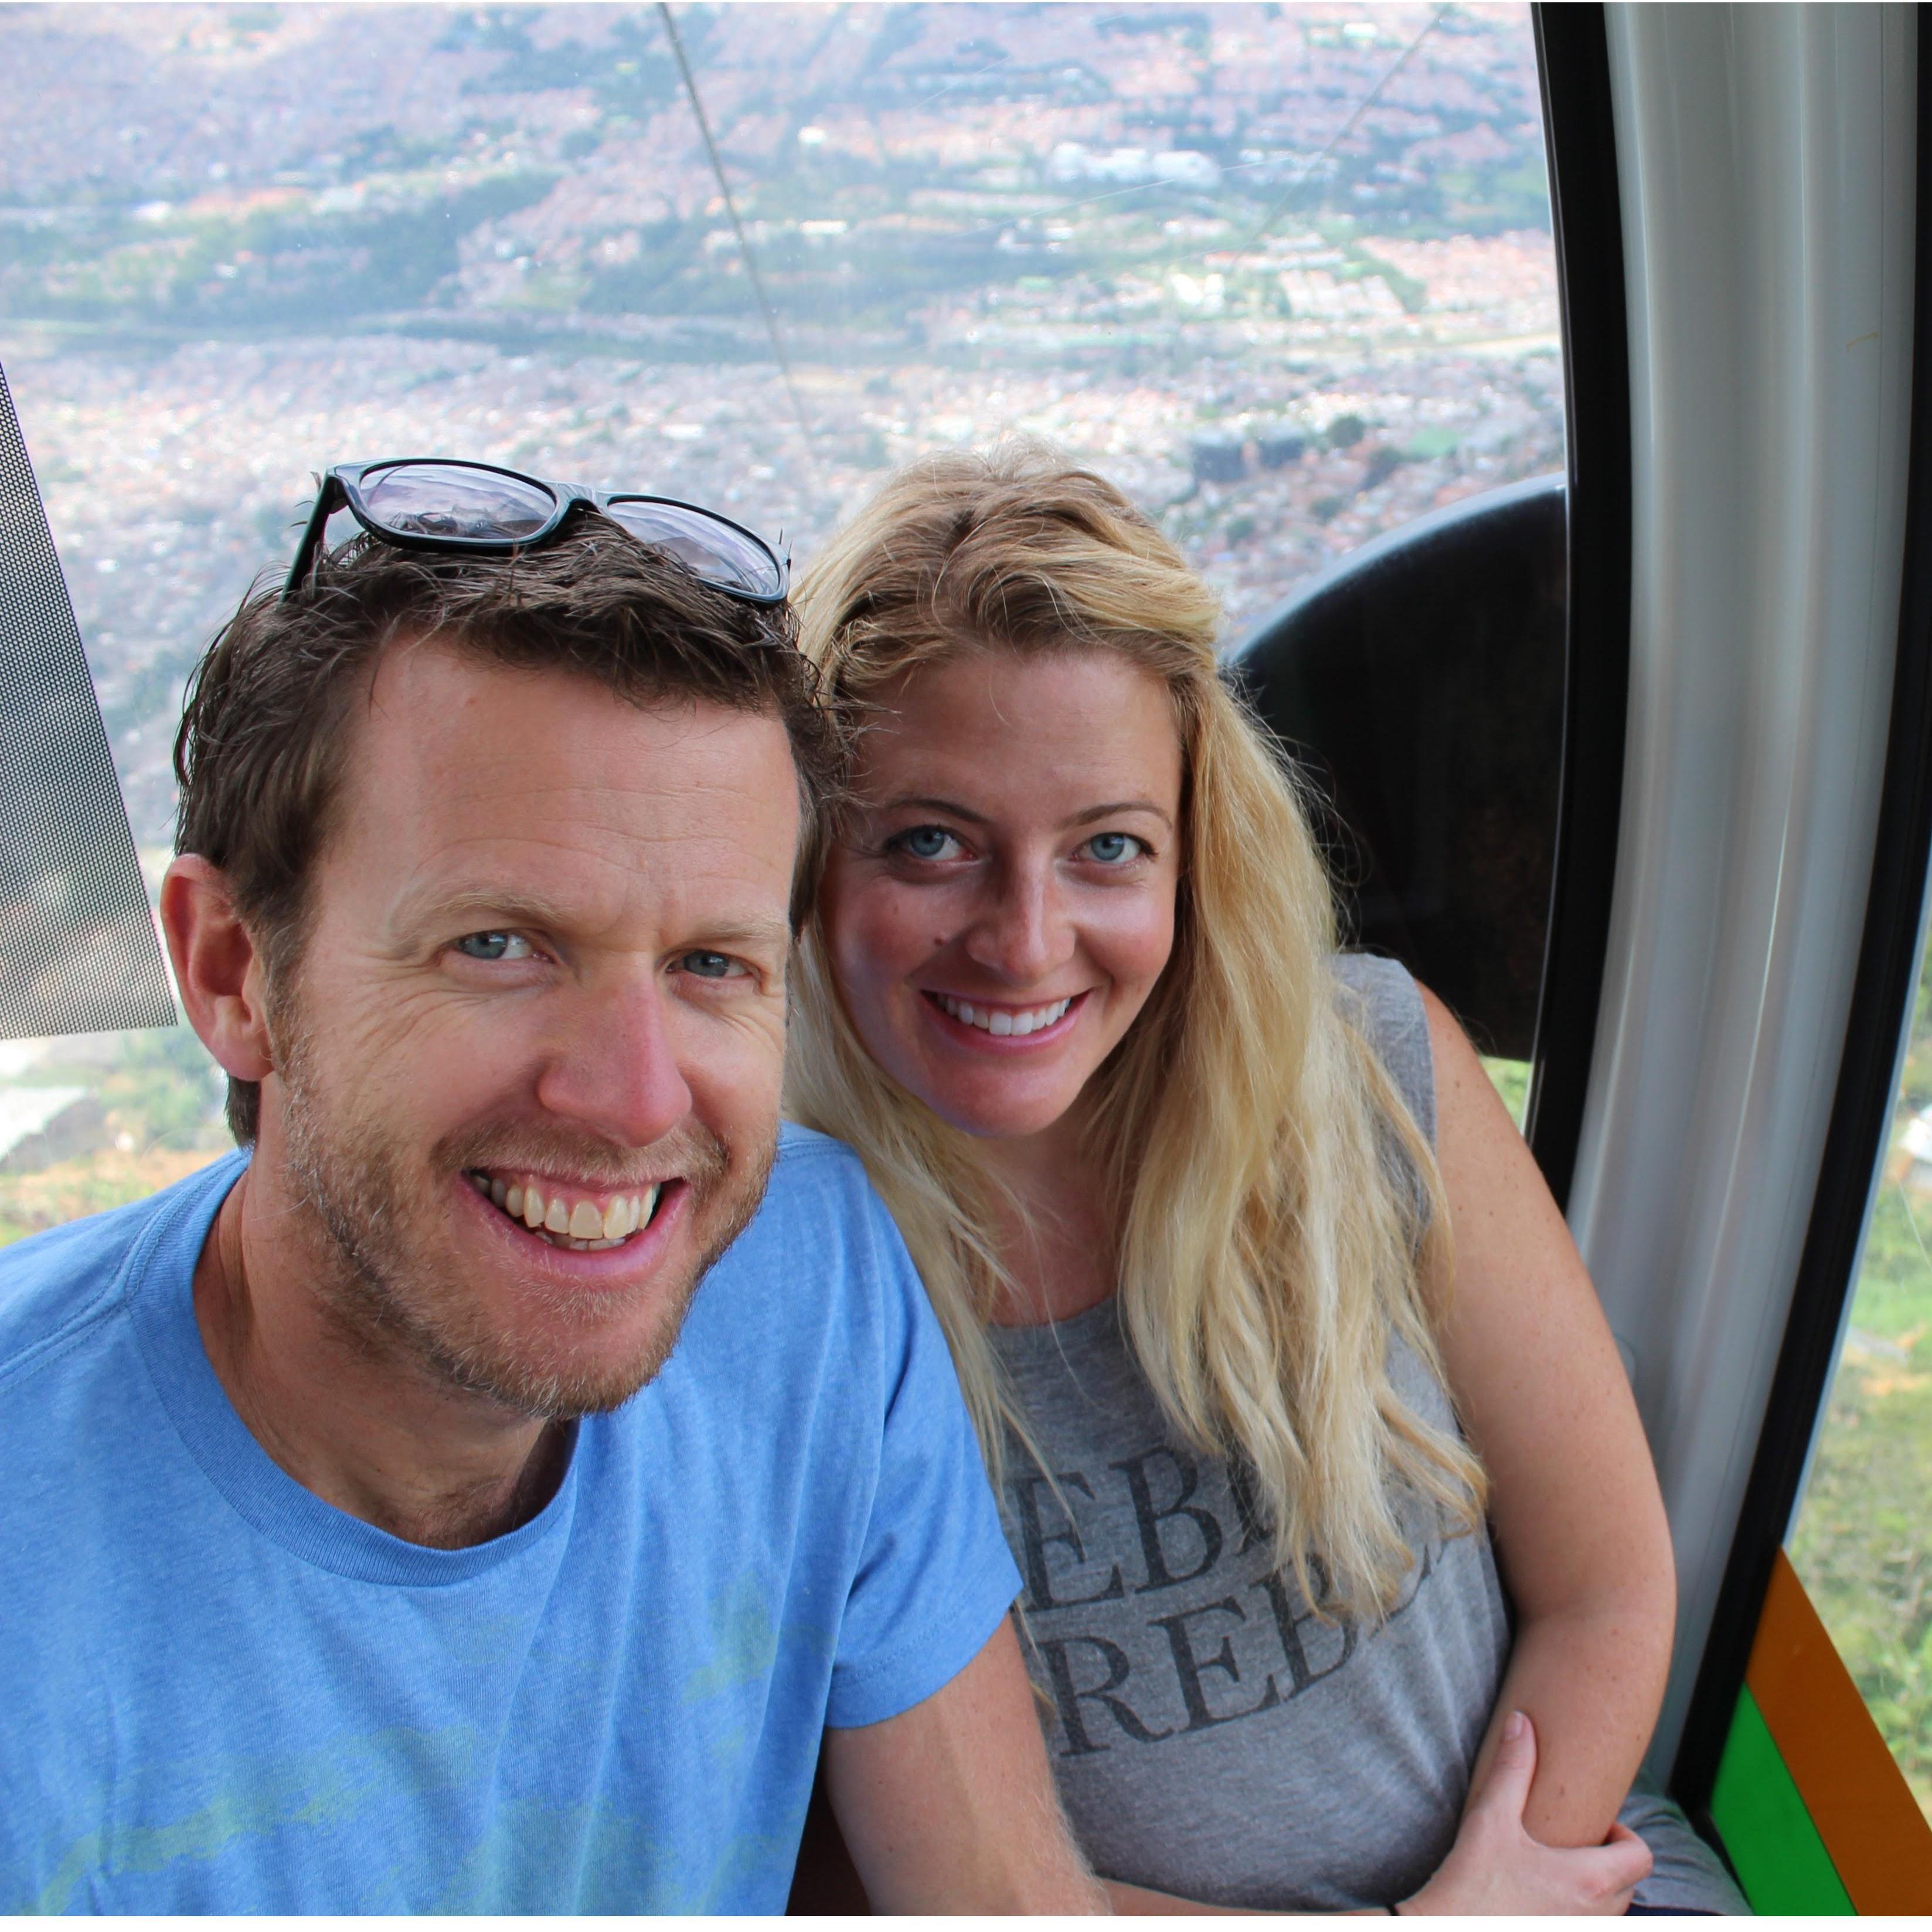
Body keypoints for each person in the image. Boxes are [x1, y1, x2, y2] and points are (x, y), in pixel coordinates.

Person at [0, 467, 1103, 1914]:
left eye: (712, 965)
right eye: (502, 945)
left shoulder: (807, 1285)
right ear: (232, 971)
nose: (638, 1096)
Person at [786, 446, 1750, 1914]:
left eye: (1107, 847)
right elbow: (895, 1875)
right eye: (932, 843)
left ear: (1193, 852)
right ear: (806, 851)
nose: (1026, 939)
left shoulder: (1366, 1072)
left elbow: (1605, 1585)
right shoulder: (766, 1269)